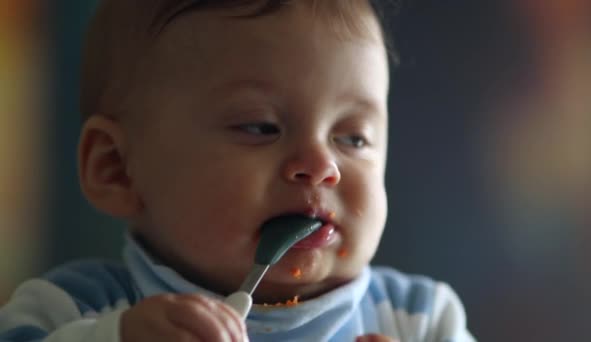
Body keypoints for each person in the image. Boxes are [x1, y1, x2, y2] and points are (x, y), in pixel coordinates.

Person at [0, 0, 475, 341]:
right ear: (117, 169)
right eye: (261, 127)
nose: (319, 166)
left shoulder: (421, 320)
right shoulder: (75, 308)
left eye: (352, 137)